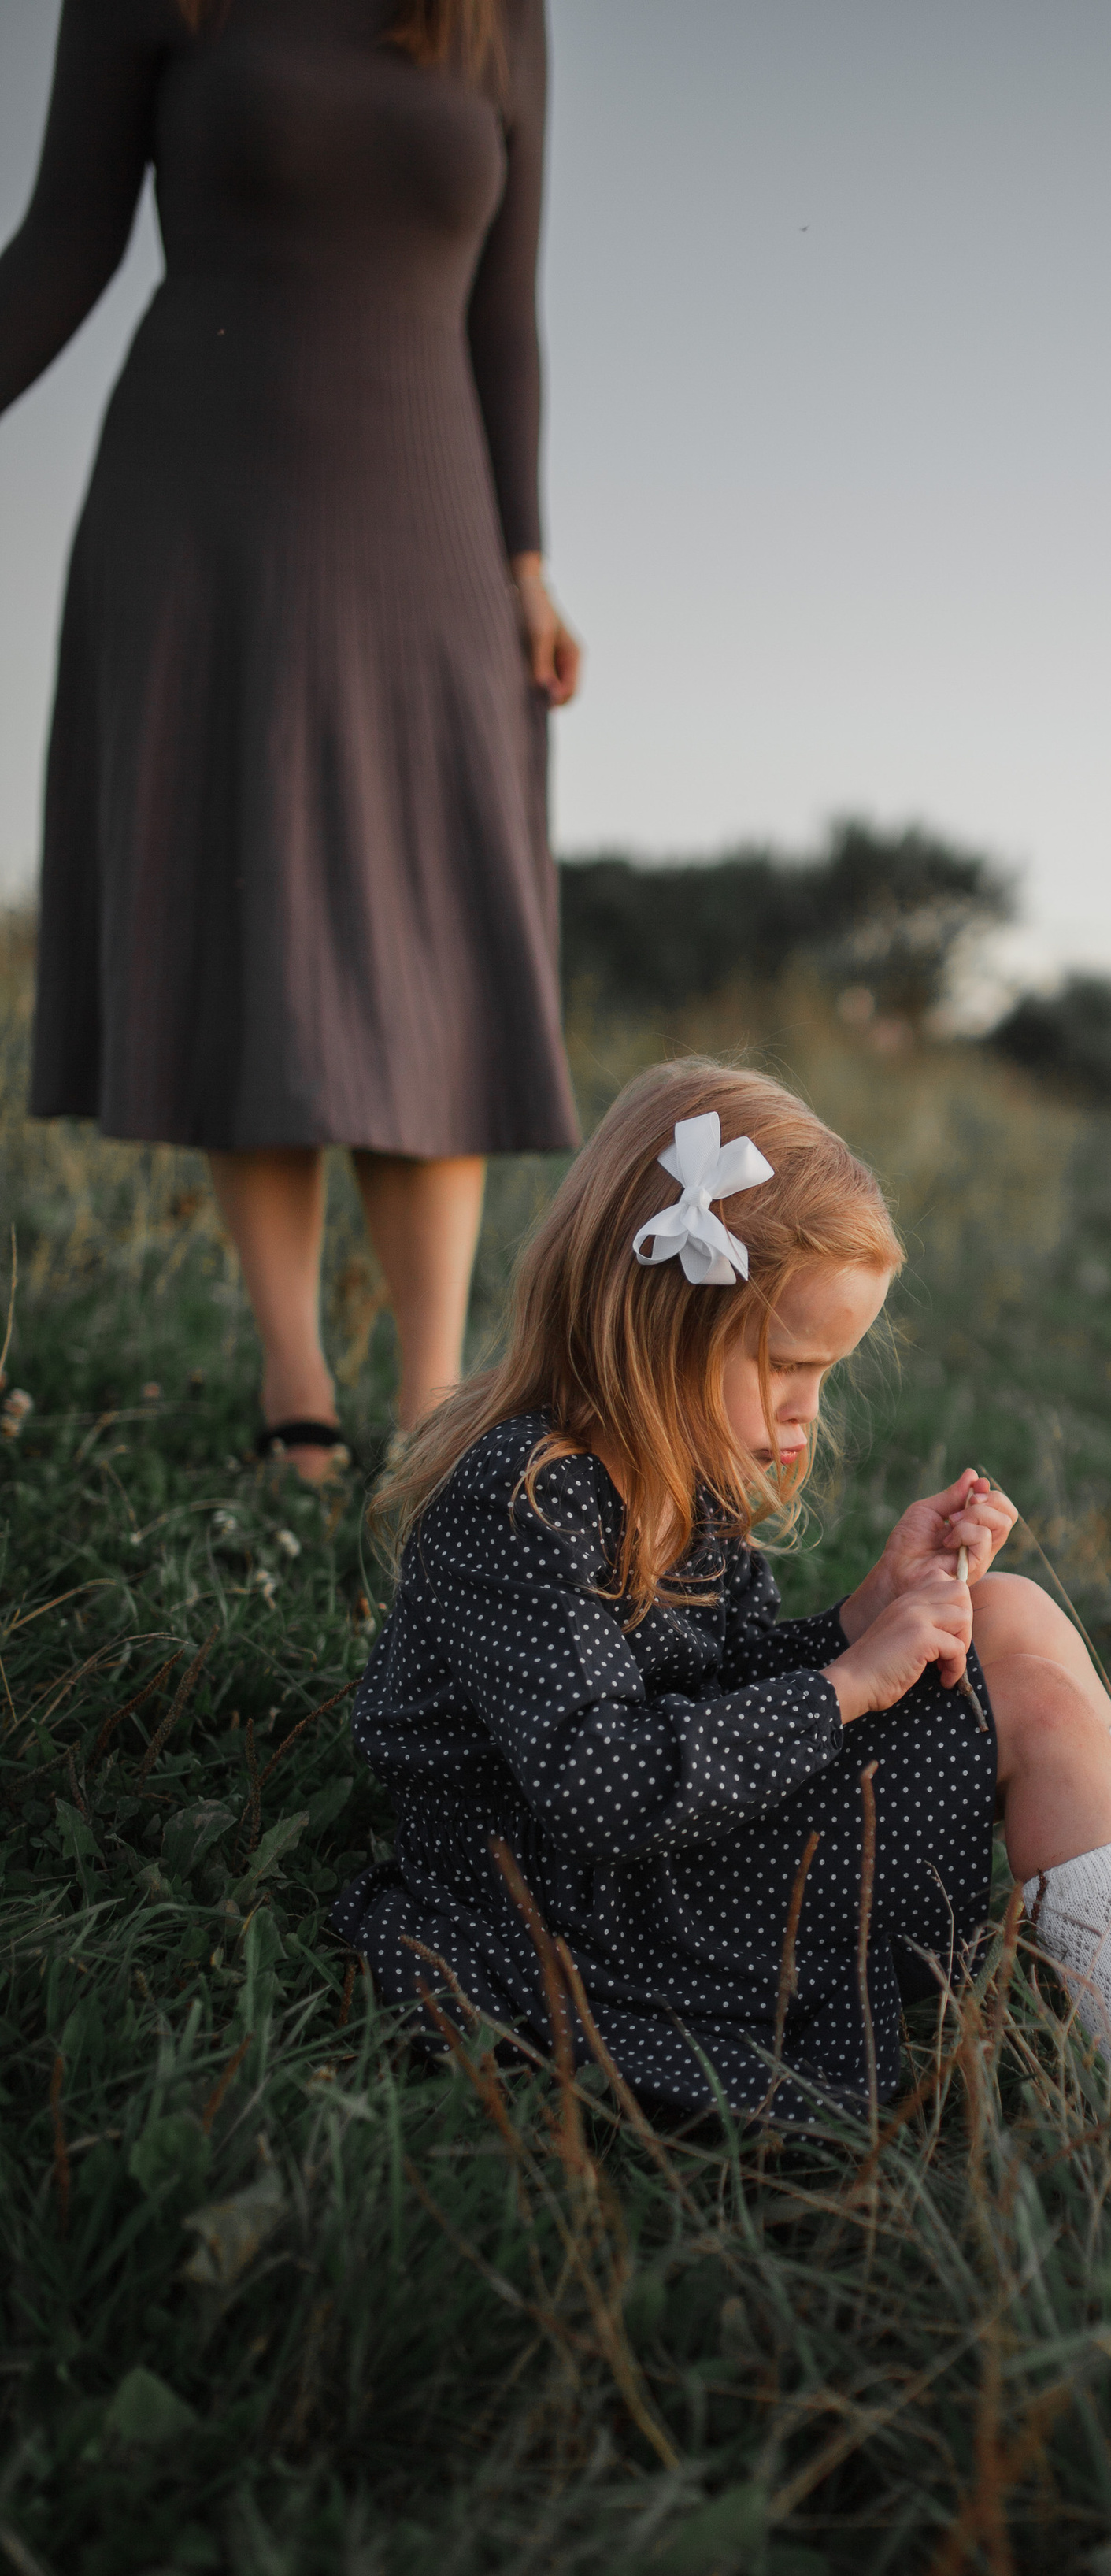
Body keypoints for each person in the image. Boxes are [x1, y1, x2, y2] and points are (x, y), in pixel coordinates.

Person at [331, 1058, 1111, 2232]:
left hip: (666, 1856)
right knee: (1035, 1713)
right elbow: (603, 1784)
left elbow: (711, 1683)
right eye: (788, 1365)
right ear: (657, 1315)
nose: (807, 1410)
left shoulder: (676, 1483)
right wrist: (851, 1682)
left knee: (1012, 1610)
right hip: (577, 1910)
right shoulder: (525, 1500)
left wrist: (864, 1617)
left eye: (826, 1372)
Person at [0, 0, 580, 1478]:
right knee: (251, 936)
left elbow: (504, 312)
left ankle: (434, 1411)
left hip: (431, 521)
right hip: (205, 517)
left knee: (428, 954)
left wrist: (525, 561)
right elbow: (61, 246)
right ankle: (294, 1391)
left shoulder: (497, 12)